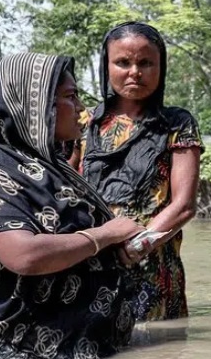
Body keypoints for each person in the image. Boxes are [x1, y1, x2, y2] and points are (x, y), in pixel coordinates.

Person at [0, 53, 144, 359]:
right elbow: (24, 255)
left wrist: (119, 249)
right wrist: (104, 235)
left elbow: (74, 240)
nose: (80, 109)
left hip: (85, 355)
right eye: (70, 97)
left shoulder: (49, 167)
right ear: (34, 105)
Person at [78, 22, 203, 322]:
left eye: (146, 63)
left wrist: (138, 245)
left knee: (157, 358)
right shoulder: (85, 123)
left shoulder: (177, 124)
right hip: (91, 259)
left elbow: (184, 206)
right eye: (123, 62)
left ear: (161, 68)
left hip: (152, 260)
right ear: (106, 66)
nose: (135, 72)